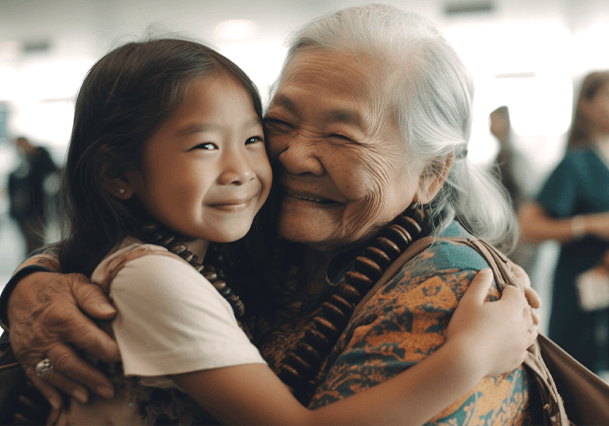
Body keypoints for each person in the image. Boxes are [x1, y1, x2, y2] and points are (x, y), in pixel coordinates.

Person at [3, 5, 542, 425]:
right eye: (279, 123)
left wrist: (469, 355)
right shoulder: (247, 235)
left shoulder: (454, 298)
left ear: (432, 171)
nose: (290, 156)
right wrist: (32, 283)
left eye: (340, 135)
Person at [519, 70, 609, 373]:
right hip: (584, 300)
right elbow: (526, 226)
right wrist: (589, 224)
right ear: (586, 105)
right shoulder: (576, 165)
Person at [7, 136, 59, 256]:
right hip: (22, 213)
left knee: (37, 244)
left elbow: (53, 170)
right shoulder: (22, 162)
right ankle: (30, 268)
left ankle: (34, 268)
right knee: (29, 244)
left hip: (36, 210)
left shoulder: (39, 158)